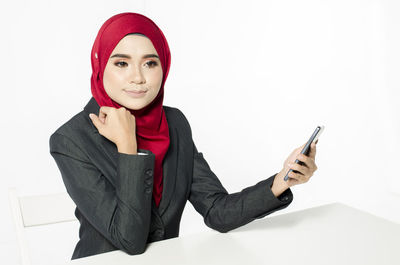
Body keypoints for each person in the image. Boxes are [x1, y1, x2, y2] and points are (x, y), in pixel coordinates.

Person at [49, 12, 318, 260]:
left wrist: (283, 180)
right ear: (100, 66)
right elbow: (129, 240)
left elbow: (216, 211)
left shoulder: (174, 123)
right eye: (121, 63)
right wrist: (128, 146)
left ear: (163, 67)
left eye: (150, 63)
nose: (138, 77)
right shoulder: (71, 139)